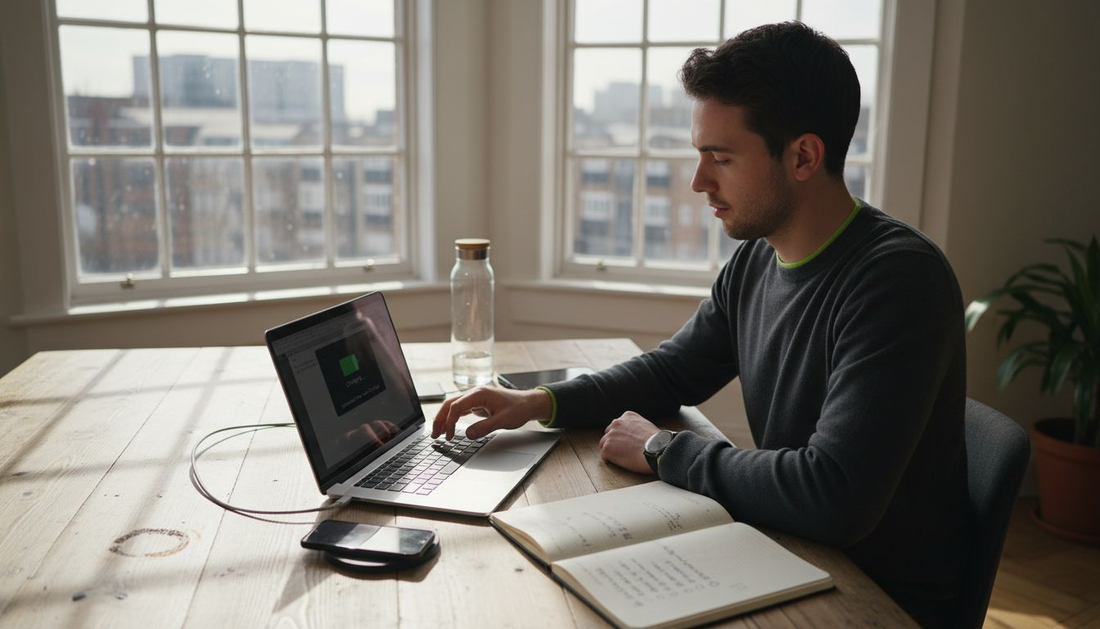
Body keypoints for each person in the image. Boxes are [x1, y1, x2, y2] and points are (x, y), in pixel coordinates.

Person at [434, 21, 967, 627]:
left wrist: (664, 449)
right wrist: (536, 402)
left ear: (803, 156)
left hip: (876, 598)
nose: (698, 182)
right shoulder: (758, 256)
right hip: (790, 552)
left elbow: (835, 494)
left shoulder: (897, 281)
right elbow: (674, 371)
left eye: (721, 158)